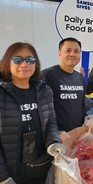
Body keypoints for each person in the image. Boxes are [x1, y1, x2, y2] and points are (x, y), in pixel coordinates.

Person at [0, 42, 61, 184]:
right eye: (17, 60)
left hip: (39, 166)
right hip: (10, 171)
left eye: (30, 60)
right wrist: (3, 177)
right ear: (7, 62)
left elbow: (50, 122)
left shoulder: (44, 91)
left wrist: (54, 142)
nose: (24, 64)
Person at [42, 37, 86, 144]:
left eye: (76, 51)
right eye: (68, 50)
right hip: (56, 137)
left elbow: (82, 104)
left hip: (75, 135)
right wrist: (56, 131)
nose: (72, 54)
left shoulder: (80, 78)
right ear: (59, 53)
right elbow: (42, 110)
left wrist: (87, 120)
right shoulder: (47, 75)